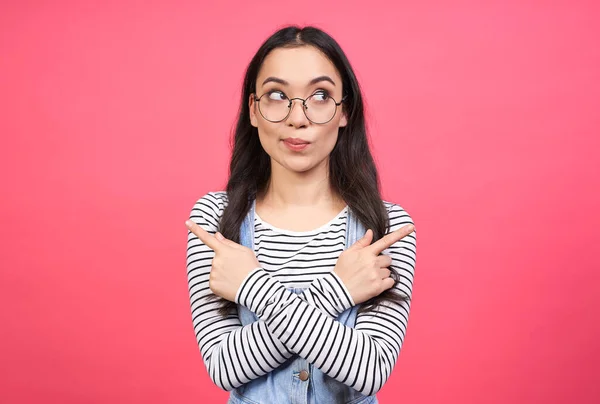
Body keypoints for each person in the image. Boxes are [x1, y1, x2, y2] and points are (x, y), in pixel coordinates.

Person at [185, 25, 417, 404]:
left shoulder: (385, 226)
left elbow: (370, 371)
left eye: (320, 95)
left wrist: (250, 286)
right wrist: (340, 290)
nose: (298, 118)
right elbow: (224, 367)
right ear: (253, 110)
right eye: (277, 95)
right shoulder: (215, 219)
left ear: (345, 112)